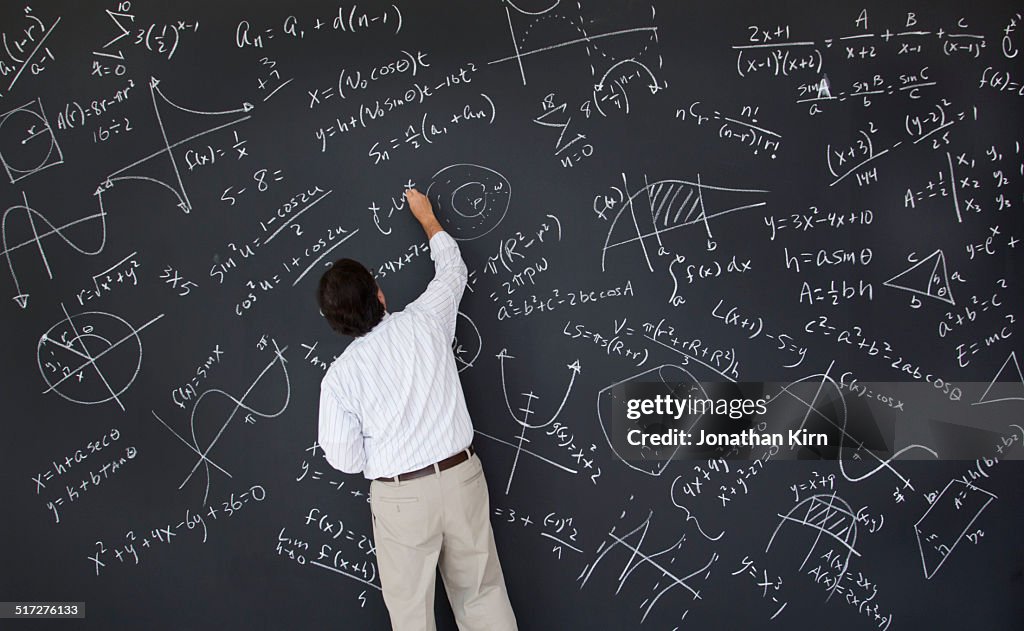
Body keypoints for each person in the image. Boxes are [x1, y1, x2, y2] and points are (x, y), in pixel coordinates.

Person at [316, 188, 518, 631]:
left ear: (335, 324)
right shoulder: (427, 321)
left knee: (411, 618)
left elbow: (345, 459)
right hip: (461, 475)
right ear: (380, 293)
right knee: (482, 595)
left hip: (400, 494)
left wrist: (391, 451)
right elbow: (452, 270)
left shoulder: (338, 381)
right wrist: (427, 219)